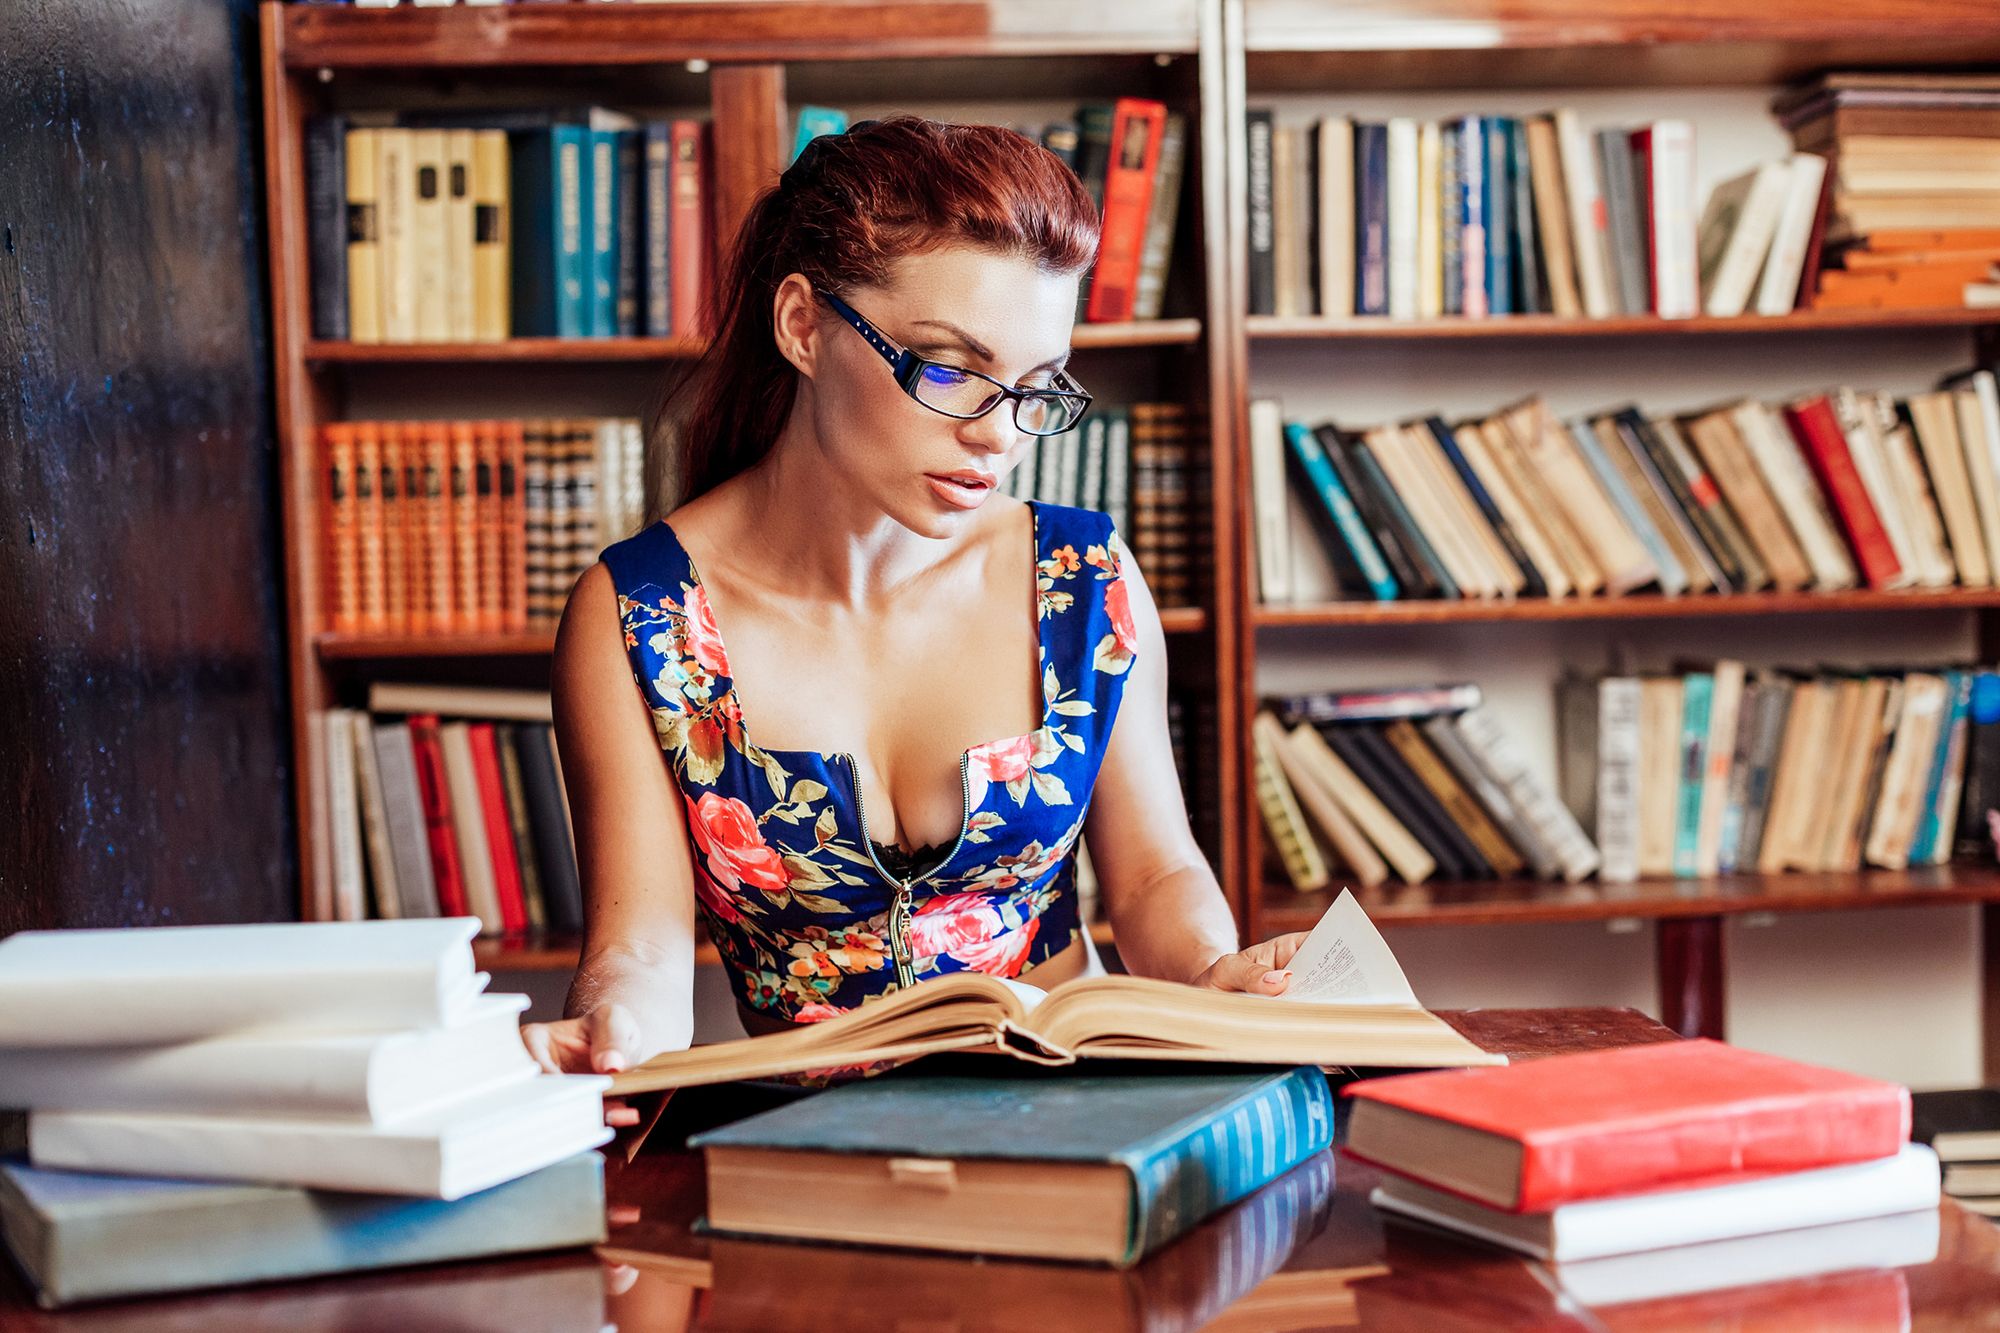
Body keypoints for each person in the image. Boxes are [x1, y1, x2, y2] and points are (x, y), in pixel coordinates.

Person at [521, 116, 1306, 1110]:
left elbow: (1154, 880)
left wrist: (1208, 973)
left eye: (1032, 390)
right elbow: (635, 948)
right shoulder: (639, 617)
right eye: (946, 370)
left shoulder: (1082, 577)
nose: (996, 437)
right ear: (803, 325)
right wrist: (613, 1031)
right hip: (804, 1152)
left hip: (1077, 1119)